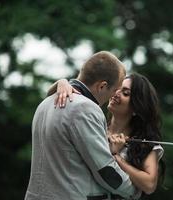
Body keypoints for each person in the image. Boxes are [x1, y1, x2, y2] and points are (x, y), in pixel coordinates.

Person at [25, 51, 141, 200]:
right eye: (114, 90)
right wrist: (134, 191)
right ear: (102, 86)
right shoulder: (86, 108)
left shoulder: (45, 103)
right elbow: (104, 170)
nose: (113, 96)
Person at [53, 73, 165, 198]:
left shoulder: (144, 143)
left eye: (125, 93)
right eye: (117, 89)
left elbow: (149, 185)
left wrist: (117, 157)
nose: (117, 94)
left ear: (136, 108)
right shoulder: (95, 128)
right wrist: (62, 83)